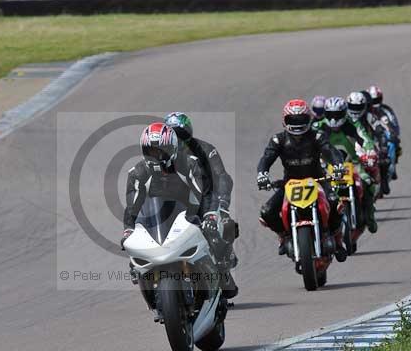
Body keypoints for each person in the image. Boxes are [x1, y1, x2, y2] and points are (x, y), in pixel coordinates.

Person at [122, 122, 238, 299]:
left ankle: (221, 273)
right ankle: (146, 278)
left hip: (191, 210)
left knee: (213, 234)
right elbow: (132, 206)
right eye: (151, 151)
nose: (156, 156)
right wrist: (128, 229)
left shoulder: (190, 164)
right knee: (134, 248)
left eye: (161, 150)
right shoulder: (137, 173)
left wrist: (210, 216)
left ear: (172, 148)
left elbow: (206, 193)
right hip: (157, 216)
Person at [257, 99, 347, 262]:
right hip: (290, 184)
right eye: (293, 120)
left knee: (336, 202)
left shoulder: (317, 136)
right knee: (267, 212)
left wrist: (338, 165)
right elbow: (266, 158)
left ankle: (337, 239)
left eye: (301, 120)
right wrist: (262, 174)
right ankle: (284, 236)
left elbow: (331, 151)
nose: (297, 124)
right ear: (285, 121)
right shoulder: (278, 140)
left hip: (318, 180)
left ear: (309, 119)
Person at [164, 112, 238, 269]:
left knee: (224, 225)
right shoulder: (163, 156)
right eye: (174, 136)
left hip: (208, 198)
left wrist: (222, 204)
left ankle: (224, 257)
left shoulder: (206, 149)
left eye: (181, 134)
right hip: (179, 201)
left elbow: (222, 177)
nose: (178, 139)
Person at [322, 96, 378, 233]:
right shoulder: (319, 126)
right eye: (330, 115)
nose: (334, 119)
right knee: (320, 190)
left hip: (353, 164)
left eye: (337, 115)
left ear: (344, 113)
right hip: (327, 166)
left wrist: (369, 152)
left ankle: (370, 217)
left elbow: (365, 139)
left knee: (368, 181)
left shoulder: (353, 124)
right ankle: (323, 224)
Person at [346, 91, 387, 195]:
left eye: (358, 107)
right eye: (352, 106)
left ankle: (381, 182)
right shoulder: (344, 117)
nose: (355, 110)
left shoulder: (369, 116)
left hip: (367, 146)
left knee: (382, 160)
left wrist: (383, 146)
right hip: (348, 147)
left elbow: (379, 129)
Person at [367, 84, 402, 179]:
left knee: (395, 143)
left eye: (377, 100)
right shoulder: (365, 112)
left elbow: (394, 123)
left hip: (384, 136)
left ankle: (393, 166)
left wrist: (393, 133)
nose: (375, 103)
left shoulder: (386, 110)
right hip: (370, 136)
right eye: (373, 101)